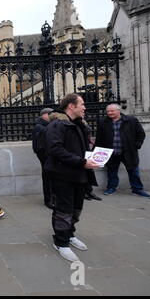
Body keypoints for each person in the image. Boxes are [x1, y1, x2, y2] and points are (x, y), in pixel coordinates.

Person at [45, 93, 100, 262]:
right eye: (82, 104)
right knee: (64, 209)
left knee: (76, 208)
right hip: (63, 176)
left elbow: (82, 147)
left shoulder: (79, 125)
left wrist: (95, 157)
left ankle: (69, 234)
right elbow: (56, 150)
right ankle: (61, 242)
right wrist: (82, 162)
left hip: (80, 175)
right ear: (71, 106)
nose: (85, 107)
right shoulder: (57, 125)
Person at [95, 104, 150, 198]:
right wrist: (96, 150)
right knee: (112, 171)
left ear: (118, 111)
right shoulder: (103, 122)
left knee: (133, 170)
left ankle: (137, 189)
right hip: (111, 152)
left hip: (128, 151)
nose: (109, 113)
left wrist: (137, 145)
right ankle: (111, 188)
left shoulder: (131, 120)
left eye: (112, 111)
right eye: (108, 111)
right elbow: (99, 138)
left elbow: (141, 134)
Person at [32, 107, 54, 209]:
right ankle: (48, 200)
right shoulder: (40, 126)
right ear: (45, 115)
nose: (53, 116)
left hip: (50, 155)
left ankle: (53, 198)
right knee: (47, 177)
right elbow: (38, 145)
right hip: (45, 156)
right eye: (51, 114)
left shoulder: (47, 125)